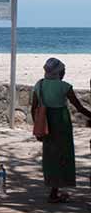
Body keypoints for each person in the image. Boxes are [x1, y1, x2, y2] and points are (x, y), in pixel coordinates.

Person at [31, 58, 91, 203]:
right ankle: (55, 192)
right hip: (62, 124)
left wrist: (38, 126)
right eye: (63, 70)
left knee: (50, 157)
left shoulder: (39, 85)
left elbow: (33, 109)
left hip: (47, 124)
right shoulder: (65, 87)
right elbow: (79, 108)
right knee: (63, 155)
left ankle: (53, 190)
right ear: (58, 72)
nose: (64, 73)